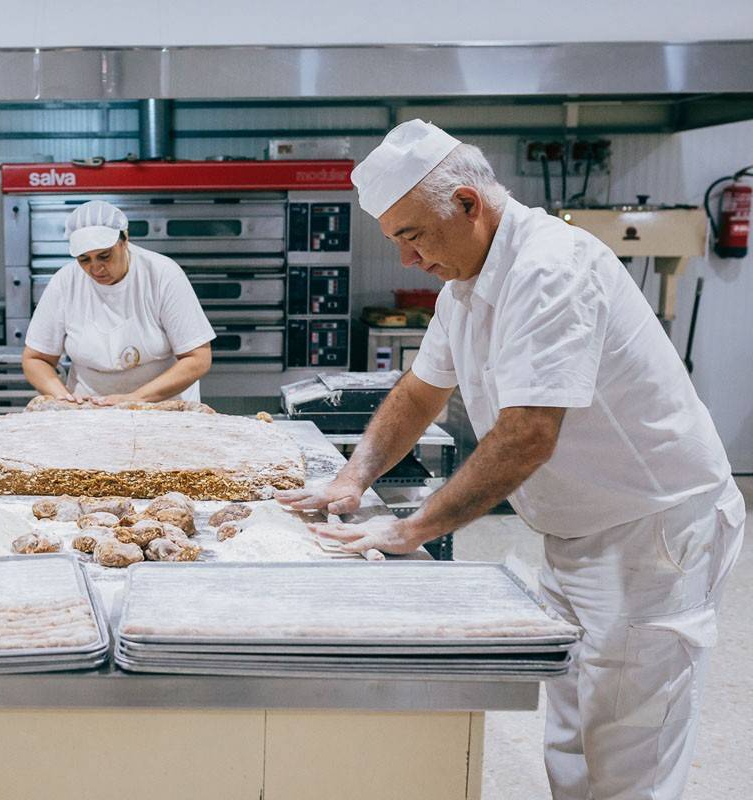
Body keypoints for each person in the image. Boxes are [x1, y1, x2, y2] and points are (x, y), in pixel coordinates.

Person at [277, 119, 745, 800]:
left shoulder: (551, 268)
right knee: (574, 733)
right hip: (577, 531)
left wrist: (411, 529)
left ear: (468, 203)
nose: (407, 259)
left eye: (412, 235)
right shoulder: (463, 285)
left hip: (653, 535)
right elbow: (418, 392)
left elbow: (528, 435)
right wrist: (352, 478)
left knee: (629, 751)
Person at [21, 200, 215, 404]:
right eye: (84, 259)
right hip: (90, 410)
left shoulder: (162, 275)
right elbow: (36, 359)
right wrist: (62, 396)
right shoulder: (65, 282)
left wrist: (135, 399)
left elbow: (198, 358)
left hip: (163, 406)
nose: (96, 269)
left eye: (104, 256)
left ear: (125, 240)